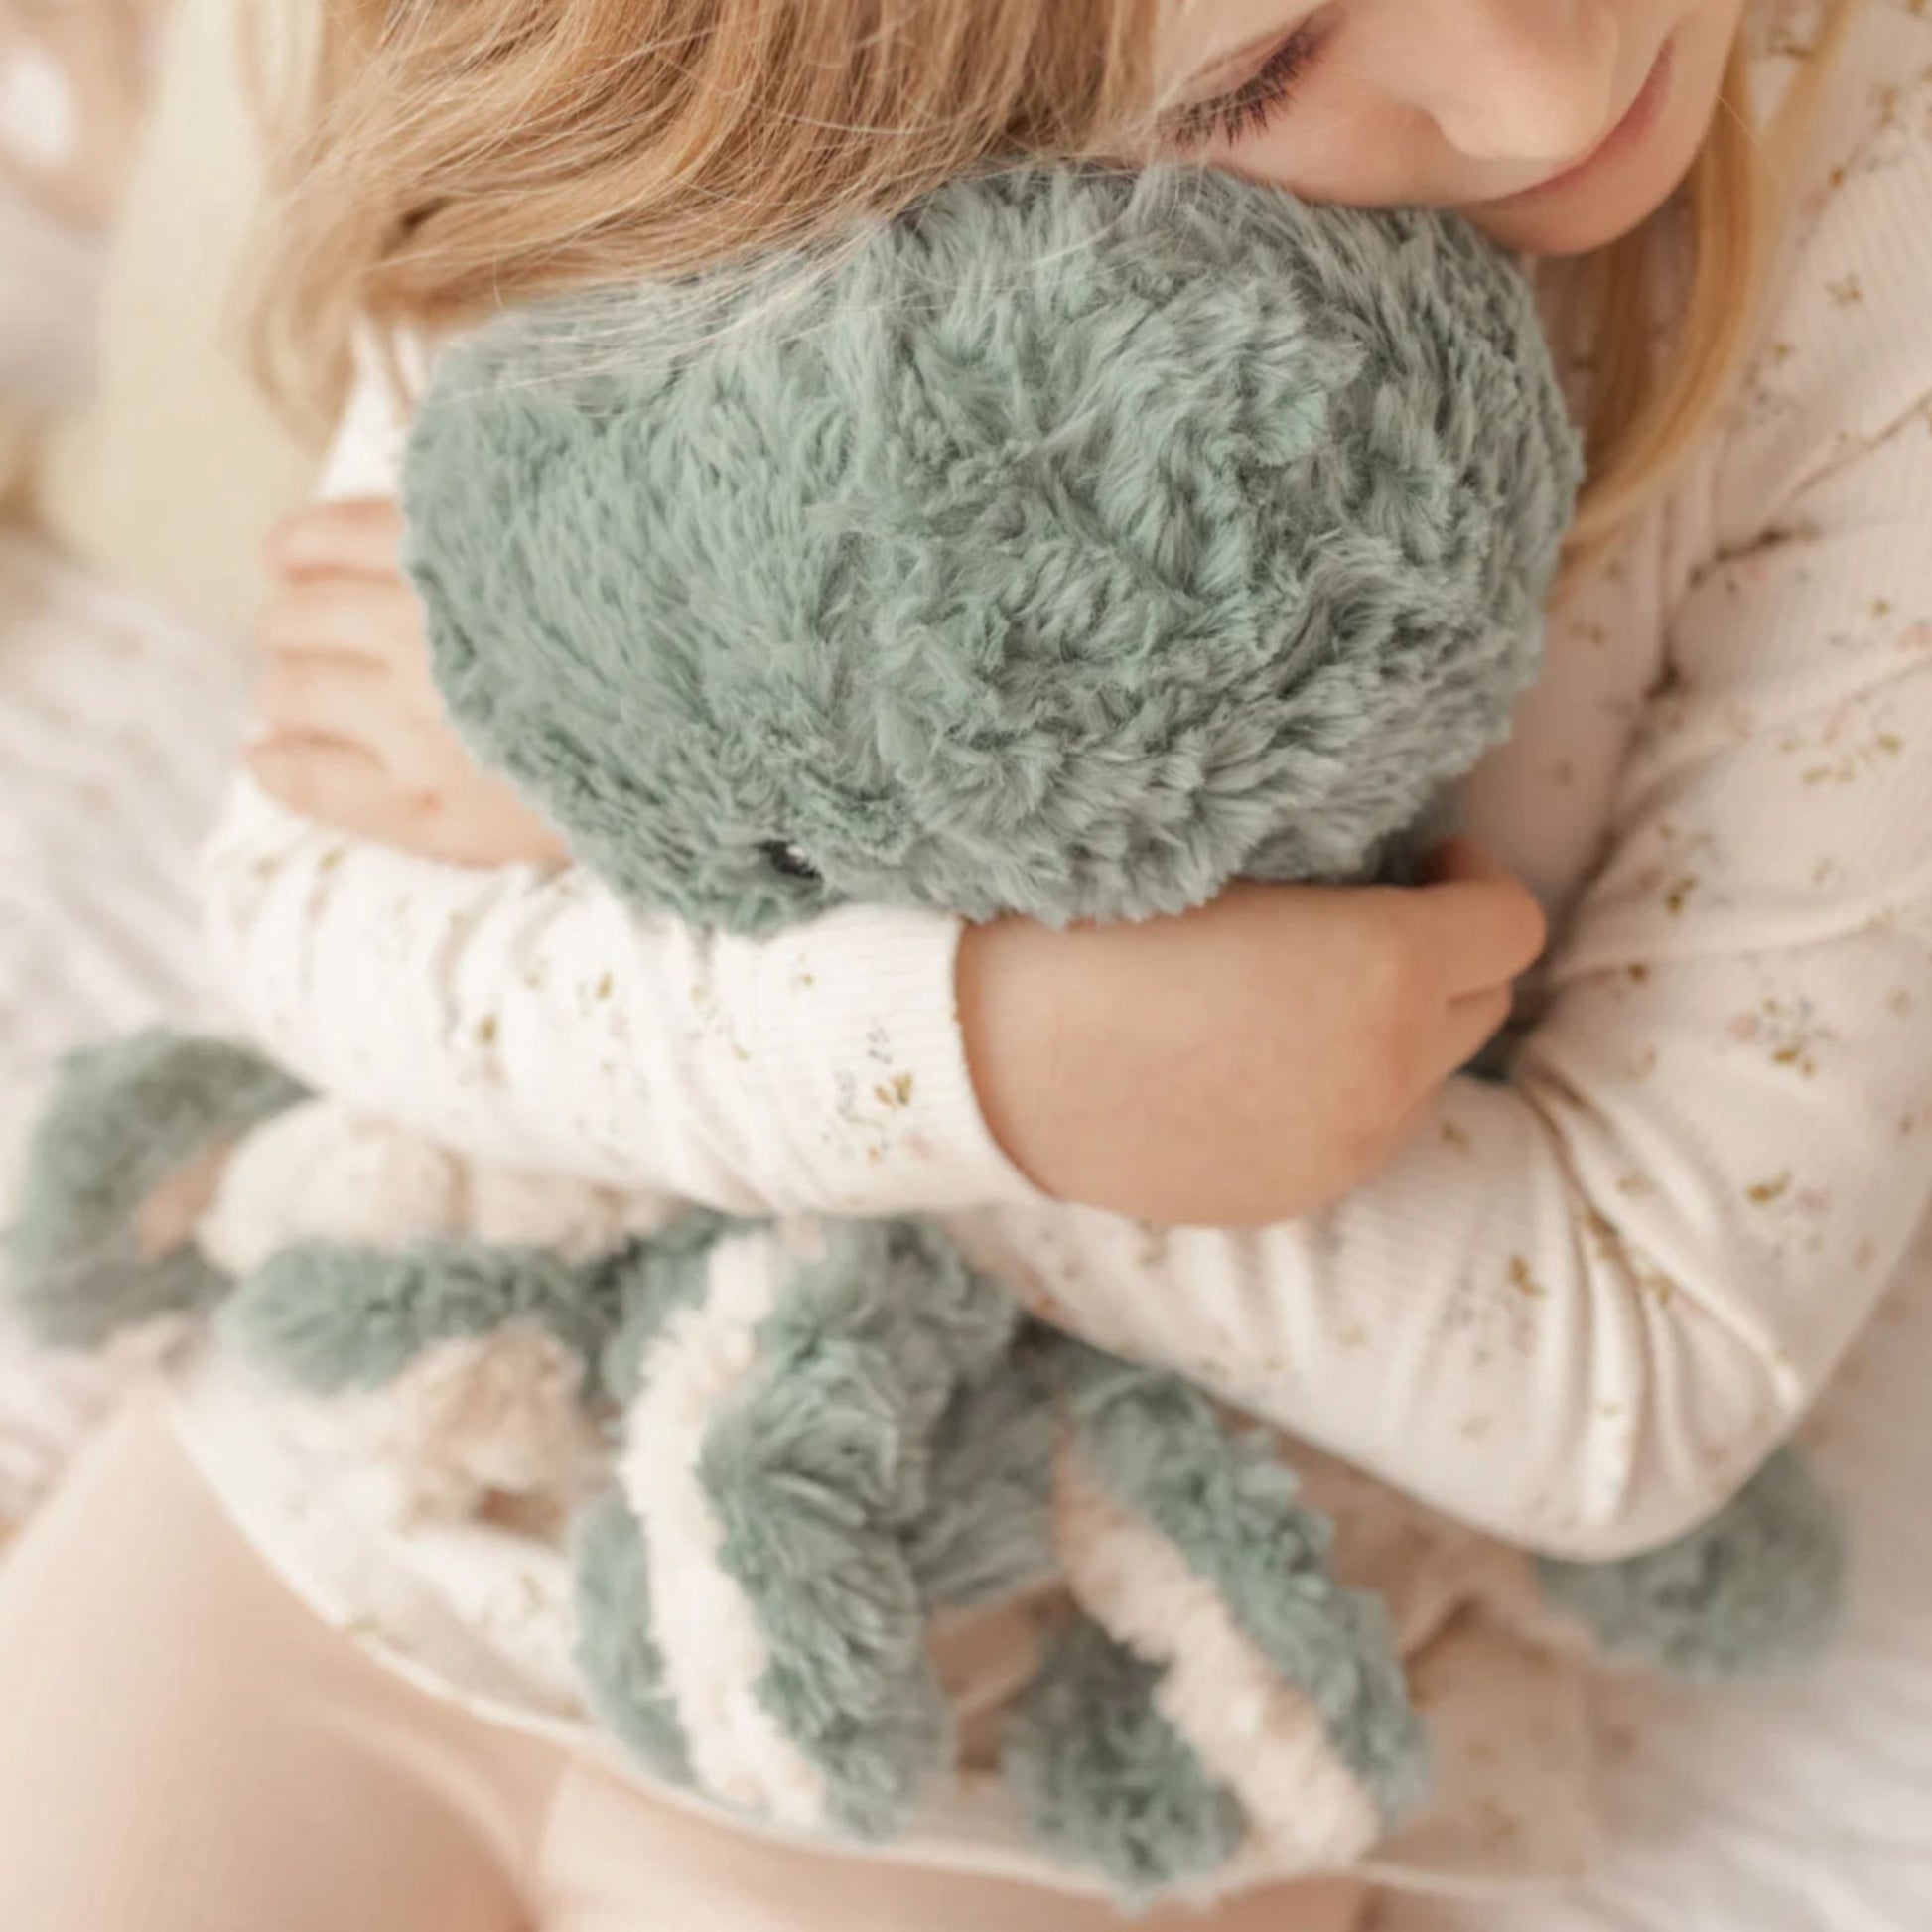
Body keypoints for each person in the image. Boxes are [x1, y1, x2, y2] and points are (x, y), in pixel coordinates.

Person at [6, 0, 1932, 1925]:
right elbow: (325, 913)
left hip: (1130, 1692)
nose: (1544, 84)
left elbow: (1639, 1368)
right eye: (1256, 72)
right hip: (422, 1449)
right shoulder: (693, 94)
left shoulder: (1875, 195)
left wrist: (677, 880)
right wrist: (989, 1059)